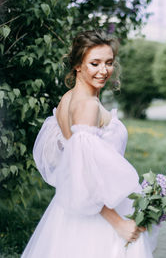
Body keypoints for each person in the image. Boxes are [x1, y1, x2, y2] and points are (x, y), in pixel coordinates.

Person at [21, 30, 156, 258]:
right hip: (99, 219)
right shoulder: (88, 106)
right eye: (95, 63)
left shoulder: (68, 98)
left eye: (109, 63)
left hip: (71, 212)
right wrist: (118, 223)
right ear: (78, 65)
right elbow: (81, 173)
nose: (104, 71)